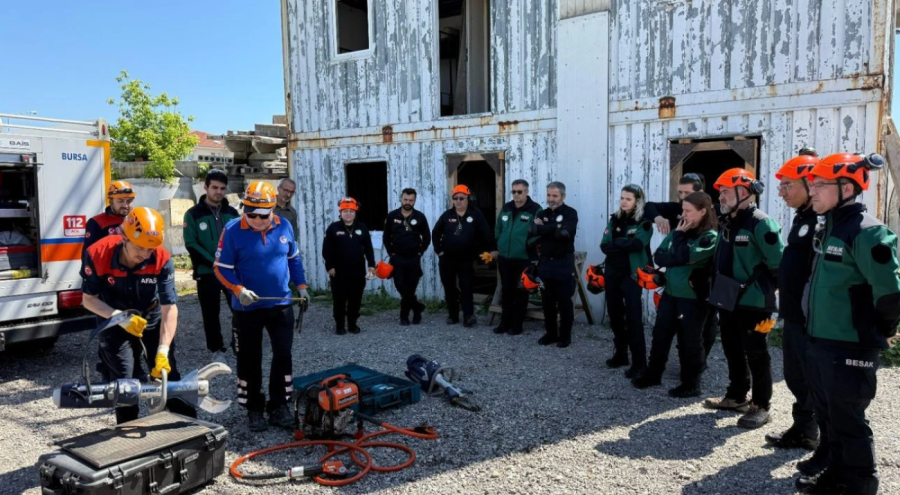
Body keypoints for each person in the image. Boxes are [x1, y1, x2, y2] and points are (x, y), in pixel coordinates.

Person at [795, 153, 900, 495]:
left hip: (850, 344)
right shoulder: (830, 228)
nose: (812, 192)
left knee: (849, 421)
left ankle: (859, 486)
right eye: (811, 185)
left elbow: (891, 294)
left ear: (847, 186)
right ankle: (836, 476)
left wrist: (880, 331)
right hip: (821, 341)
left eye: (820, 185)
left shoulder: (867, 232)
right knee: (829, 418)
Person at [80, 207, 195, 424]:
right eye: (140, 247)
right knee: (124, 383)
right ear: (123, 237)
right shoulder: (97, 253)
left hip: (150, 318)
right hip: (113, 320)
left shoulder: (161, 257)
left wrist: (163, 349)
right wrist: (120, 317)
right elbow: (88, 300)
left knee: (166, 373)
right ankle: (127, 431)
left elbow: (169, 307)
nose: (145, 254)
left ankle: (184, 425)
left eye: (151, 248)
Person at [214, 181, 309, 432]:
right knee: (249, 358)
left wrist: (302, 287)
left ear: (273, 209)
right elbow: (220, 269)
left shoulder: (284, 226)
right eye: (250, 213)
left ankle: (279, 405)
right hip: (247, 309)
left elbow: (294, 260)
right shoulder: (232, 230)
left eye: (262, 215)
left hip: (280, 305)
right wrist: (237, 290)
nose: (256, 219)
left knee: (283, 355)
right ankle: (254, 409)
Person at [703, 168, 783, 430]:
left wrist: (779, 297)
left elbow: (779, 264)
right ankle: (737, 396)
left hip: (759, 305)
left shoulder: (761, 223)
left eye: (725, 192)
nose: (721, 198)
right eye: (721, 193)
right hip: (728, 300)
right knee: (731, 348)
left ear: (744, 192)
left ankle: (761, 406)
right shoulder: (727, 222)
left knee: (758, 353)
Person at [632, 192, 717, 397]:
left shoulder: (710, 237)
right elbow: (659, 256)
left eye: (688, 211)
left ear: (703, 212)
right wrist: (678, 254)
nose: (683, 215)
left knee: (690, 340)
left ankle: (691, 384)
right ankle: (653, 374)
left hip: (692, 298)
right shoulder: (680, 231)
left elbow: (687, 255)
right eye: (682, 210)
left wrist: (678, 246)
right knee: (660, 334)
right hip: (670, 293)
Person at [764, 150, 820, 451]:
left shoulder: (822, 222)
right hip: (794, 313)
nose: (781, 191)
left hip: (810, 318)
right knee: (796, 376)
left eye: (787, 185)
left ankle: (815, 437)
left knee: (811, 380)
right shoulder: (802, 218)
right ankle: (804, 430)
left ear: (809, 184)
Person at [645, 172, 720, 362]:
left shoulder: (716, 213)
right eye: (680, 193)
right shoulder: (678, 211)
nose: (682, 198)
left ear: (700, 193)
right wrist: (658, 218)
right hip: (679, 283)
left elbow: (691, 254)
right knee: (673, 330)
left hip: (706, 282)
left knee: (706, 326)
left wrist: (682, 255)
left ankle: (697, 366)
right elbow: (661, 255)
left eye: (686, 193)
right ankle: (684, 363)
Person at [183, 169, 239, 360]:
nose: (219, 192)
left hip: (231, 272)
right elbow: (191, 243)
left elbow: (240, 241)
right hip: (206, 272)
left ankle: (238, 343)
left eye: (222, 188)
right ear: (205, 187)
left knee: (239, 307)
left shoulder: (232, 213)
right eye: (214, 187)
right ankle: (216, 350)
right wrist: (214, 262)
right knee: (210, 313)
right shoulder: (193, 214)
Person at [600, 184, 653, 375]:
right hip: (613, 273)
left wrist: (618, 243)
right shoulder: (614, 220)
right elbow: (604, 245)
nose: (623, 202)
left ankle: (639, 363)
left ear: (637, 201)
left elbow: (638, 243)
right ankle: (621, 354)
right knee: (615, 315)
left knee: (633, 318)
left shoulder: (644, 222)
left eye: (628, 199)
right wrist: (624, 243)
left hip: (632, 275)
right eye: (622, 198)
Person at [432, 184, 495, 327]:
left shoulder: (476, 214)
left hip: (466, 259)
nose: (458, 201)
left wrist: (492, 249)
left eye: (462, 198)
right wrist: (439, 250)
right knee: (449, 287)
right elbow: (435, 233)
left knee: (467, 287)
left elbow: (486, 233)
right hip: (447, 259)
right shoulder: (447, 215)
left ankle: (468, 316)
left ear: (468, 199)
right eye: (456, 198)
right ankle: (453, 315)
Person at [532, 181, 579, 348]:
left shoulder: (570, 213)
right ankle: (551, 334)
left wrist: (544, 228)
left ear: (563, 196)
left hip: (562, 263)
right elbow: (533, 230)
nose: (551, 199)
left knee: (564, 302)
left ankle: (564, 336)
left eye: (555, 196)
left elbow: (565, 234)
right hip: (545, 263)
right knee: (547, 301)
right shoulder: (542, 213)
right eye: (549, 195)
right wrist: (554, 228)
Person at [494, 179, 542, 335]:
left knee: (521, 291)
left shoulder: (535, 209)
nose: (516, 195)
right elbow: (499, 227)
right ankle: (504, 323)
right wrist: (499, 243)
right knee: (507, 291)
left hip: (524, 258)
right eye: (513, 191)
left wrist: (529, 244)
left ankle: (517, 325)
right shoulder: (507, 208)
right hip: (505, 258)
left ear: (526, 192)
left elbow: (540, 232)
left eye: (519, 191)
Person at [323, 197, 376, 334]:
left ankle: (352, 324)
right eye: (345, 211)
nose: (348, 214)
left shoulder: (362, 228)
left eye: (351, 211)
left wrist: (371, 265)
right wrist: (330, 266)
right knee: (339, 300)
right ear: (340, 212)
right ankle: (340, 325)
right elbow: (326, 250)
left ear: (355, 212)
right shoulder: (333, 228)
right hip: (338, 272)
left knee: (355, 300)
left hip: (357, 272)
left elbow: (368, 248)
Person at [382, 188, 431, 326]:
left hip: (413, 259)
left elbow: (427, 237)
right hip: (397, 258)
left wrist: (420, 252)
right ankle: (417, 307)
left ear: (415, 200)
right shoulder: (392, 216)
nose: (408, 202)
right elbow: (386, 237)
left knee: (410, 288)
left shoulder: (420, 217)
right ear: (401, 199)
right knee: (400, 285)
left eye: (411, 200)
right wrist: (391, 253)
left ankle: (407, 316)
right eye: (405, 199)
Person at [83, 180, 136, 253]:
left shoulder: (137, 220)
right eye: (120, 201)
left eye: (129, 201)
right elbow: (89, 255)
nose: (125, 205)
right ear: (111, 201)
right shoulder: (96, 222)